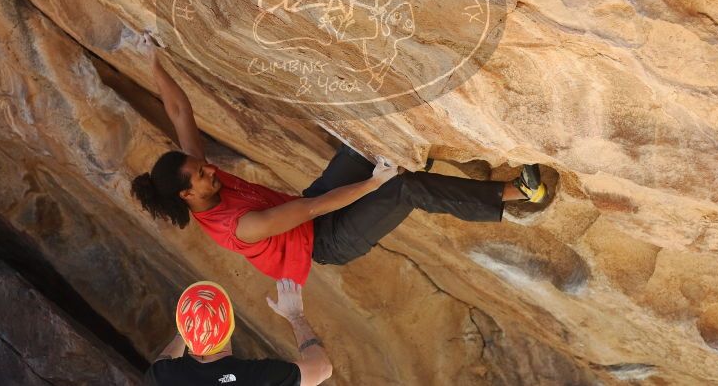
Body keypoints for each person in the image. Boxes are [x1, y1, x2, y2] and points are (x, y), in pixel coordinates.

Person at [131, 35, 548, 285]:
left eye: (201, 165)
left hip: (311, 211)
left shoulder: (196, 179)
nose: (208, 168)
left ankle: (453, 156)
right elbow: (313, 208)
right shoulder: (240, 228)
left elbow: (180, 113)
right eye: (201, 174)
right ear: (188, 195)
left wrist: (152, 61)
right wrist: (374, 183)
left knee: (360, 145)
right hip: (327, 241)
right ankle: (517, 196)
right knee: (404, 188)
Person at [144, 279, 332, 385]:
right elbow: (323, 368)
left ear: (183, 329)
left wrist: (187, 331)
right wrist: (295, 316)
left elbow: (163, 361)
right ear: (231, 325)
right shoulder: (258, 377)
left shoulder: (160, 376)